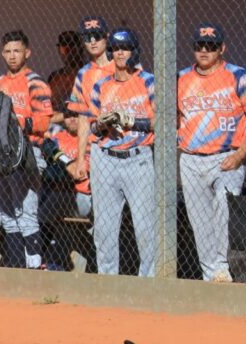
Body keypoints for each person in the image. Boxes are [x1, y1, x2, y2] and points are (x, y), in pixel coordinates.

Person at [177, 23, 246, 283]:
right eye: (199, 45)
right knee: (199, 221)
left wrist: (239, 156)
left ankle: (222, 269)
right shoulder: (181, 78)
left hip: (227, 157)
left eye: (211, 45)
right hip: (191, 159)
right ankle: (209, 275)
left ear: (222, 48)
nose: (204, 50)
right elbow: (168, 116)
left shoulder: (239, 76)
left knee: (224, 217)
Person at [0, 30, 53, 268]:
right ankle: (17, 267)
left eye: (17, 51)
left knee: (26, 215)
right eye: (7, 51)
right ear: (2, 53)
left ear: (27, 53)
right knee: (8, 216)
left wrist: (15, 122)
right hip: (0, 159)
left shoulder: (35, 83)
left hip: (27, 155)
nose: (12, 56)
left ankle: (34, 269)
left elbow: (44, 122)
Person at [84, 28, 158, 277]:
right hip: (105, 159)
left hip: (138, 158)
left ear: (134, 50)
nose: (120, 53)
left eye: (125, 48)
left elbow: (163, 121)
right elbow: (91, 126)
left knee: (146, 227)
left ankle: (149, 282)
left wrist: (133, 122)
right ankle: (108, 281)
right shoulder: (101, 85)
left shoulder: (149, 81)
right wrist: (101, 124)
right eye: (115, 49)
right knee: (104, 229)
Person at [39, 109, 95, 271]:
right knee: (47, 208)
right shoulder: (57, 138)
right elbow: (48, 160)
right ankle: (40, 260)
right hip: (61, 193)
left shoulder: (92, 139)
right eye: (68, 115)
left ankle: (45, 261)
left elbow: (82, 172)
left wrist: (63, 167)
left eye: (76, 115)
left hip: (85, 196)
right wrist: (66, 166)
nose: (72, 119)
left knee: (54, 206)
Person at [68, 16, 114, 185]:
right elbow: (82, 118)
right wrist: (80, 159)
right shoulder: (83, 73)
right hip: (98, 147)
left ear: (107, 37)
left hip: (126, 142)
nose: (93, 41)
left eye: (97, 35)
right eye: (88, 37)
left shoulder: (122, 66)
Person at [47, 30, 85, 125]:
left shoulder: (88, 73)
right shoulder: (54, 77)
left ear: (80, 48)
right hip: (56, 126)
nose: (68, 50)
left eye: (71, 45)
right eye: (64, 46)